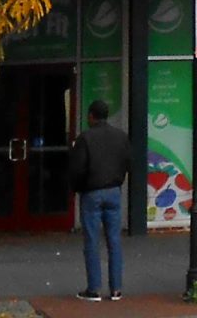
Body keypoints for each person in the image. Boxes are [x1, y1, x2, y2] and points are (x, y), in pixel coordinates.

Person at [70, 99, 130, 303]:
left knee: (92, 242)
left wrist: (77, 188)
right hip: (114, 191)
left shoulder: (85, 138)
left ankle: (93, 289)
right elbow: (127, 161)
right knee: (114, 241)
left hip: (92, 193)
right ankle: (116, 289)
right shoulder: (121, 137)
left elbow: (77, 169)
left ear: (91, 116)